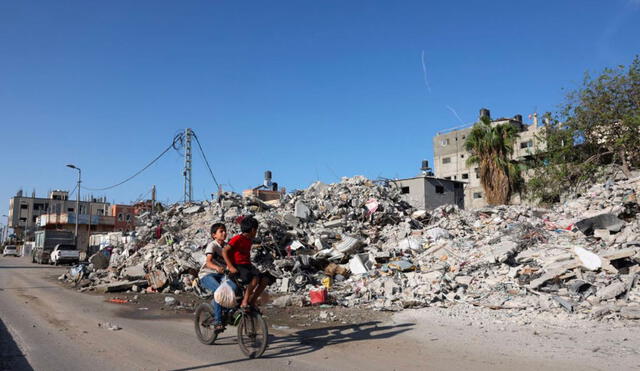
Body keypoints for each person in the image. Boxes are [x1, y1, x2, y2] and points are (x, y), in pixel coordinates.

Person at [223, 216, 268, 311]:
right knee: (254, 278)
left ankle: (252, 300)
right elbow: (224, 251)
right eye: (256, 230)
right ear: (252, 230)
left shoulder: (249, 240)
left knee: (264, 280)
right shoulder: (237, 239)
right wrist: (230, 267)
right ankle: (245, 301)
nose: (256, 232)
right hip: (238, 266)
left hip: (247, 266)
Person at [198, 222, 235, 331]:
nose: (224, 233)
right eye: (221, 231)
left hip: (222, 275)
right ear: (214, 235)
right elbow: (208, 262)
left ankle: (222, 309)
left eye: (225, 231)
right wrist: (217, 268)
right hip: (207, 274)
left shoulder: (227, 247)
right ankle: (218, 321)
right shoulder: (212, 245)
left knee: (234, 289)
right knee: (220, 291)